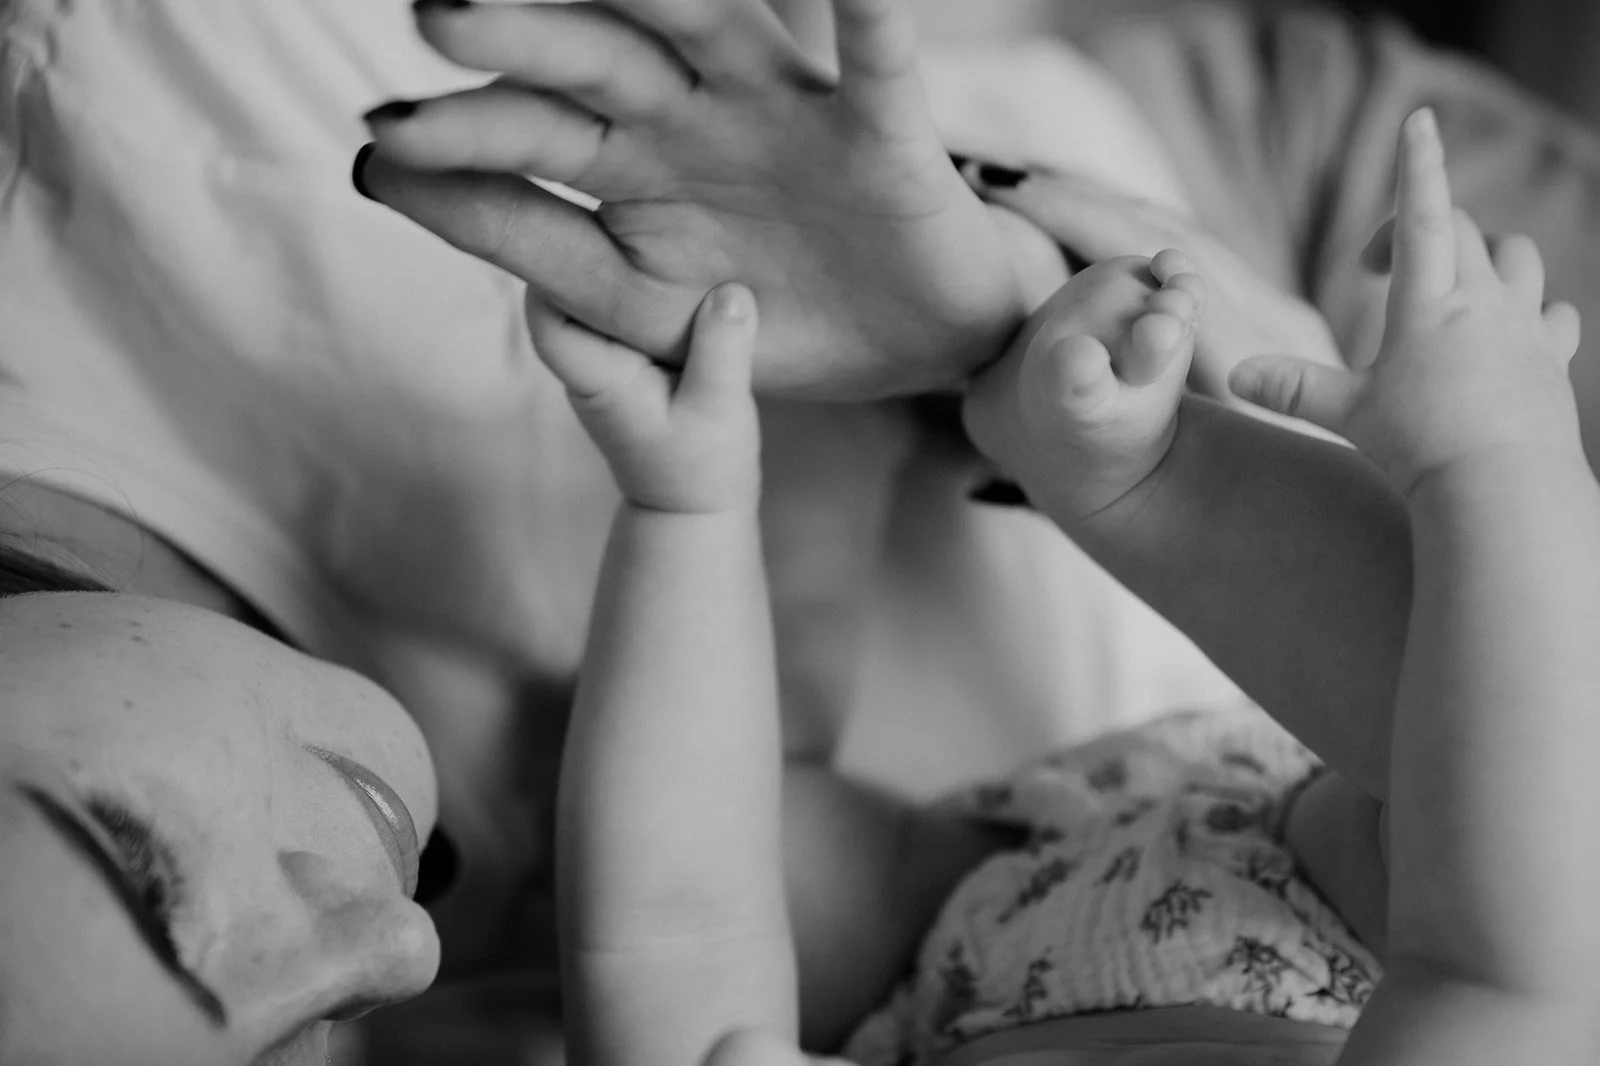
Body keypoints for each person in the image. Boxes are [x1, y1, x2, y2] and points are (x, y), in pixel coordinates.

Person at [550, 108, 1600, 1066]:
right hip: (1345, 928)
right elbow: (1511, 967)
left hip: (961, 967)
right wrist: (1500, 462)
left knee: (779, 850)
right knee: (1458, 769)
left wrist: (688, 508)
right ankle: (1142, 476)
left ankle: (842, 393)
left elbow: (673, 940)